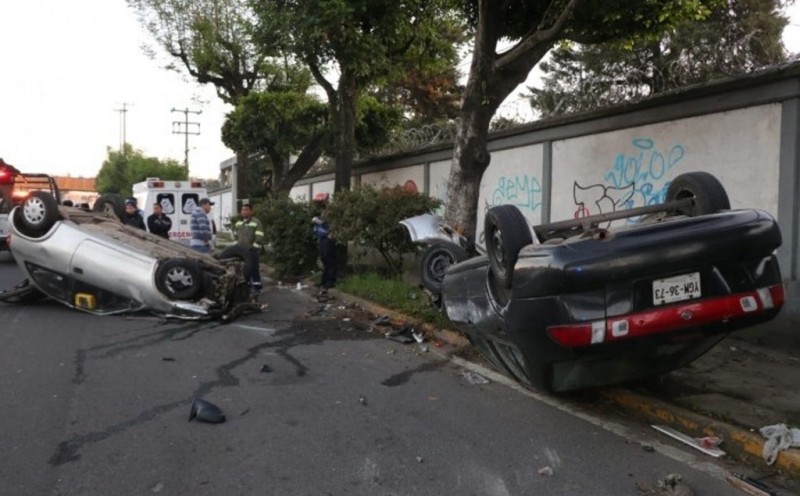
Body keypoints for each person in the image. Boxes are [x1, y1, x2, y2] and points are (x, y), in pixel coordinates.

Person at [234, 203, 265, 294]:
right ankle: (246, 287)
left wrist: (254, 247)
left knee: (254, 268)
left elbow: (260, 236)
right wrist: (236, 245)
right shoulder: (238, 223)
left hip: (252, 250)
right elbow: (236, 235)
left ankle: (257, 287)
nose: (244, 211)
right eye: (243, 210)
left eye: (246, 210)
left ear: (251, 211)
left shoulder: (256, 222)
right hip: (241, 251)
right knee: (243, 269)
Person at [312, 195, 337, 291]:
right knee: (324, 260)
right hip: (321, 238)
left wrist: (321, 222)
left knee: (329, 259)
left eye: (320, 202)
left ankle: (331, 281)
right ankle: (324, 281)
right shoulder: (320, 212)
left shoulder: (330, 212)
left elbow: (330, 224)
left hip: (328, 238)